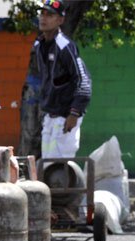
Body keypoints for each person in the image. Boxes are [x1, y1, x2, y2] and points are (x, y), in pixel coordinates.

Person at [33, 0, 92, 159]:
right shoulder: (39, 45)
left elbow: (84, 82)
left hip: (65, 118)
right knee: (46, 166)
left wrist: (74, 113)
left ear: (60, 20)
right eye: (42, 13)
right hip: (49, 117)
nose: (43, 18)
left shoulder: (65, 46)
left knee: (60, 169)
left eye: (50, 15)